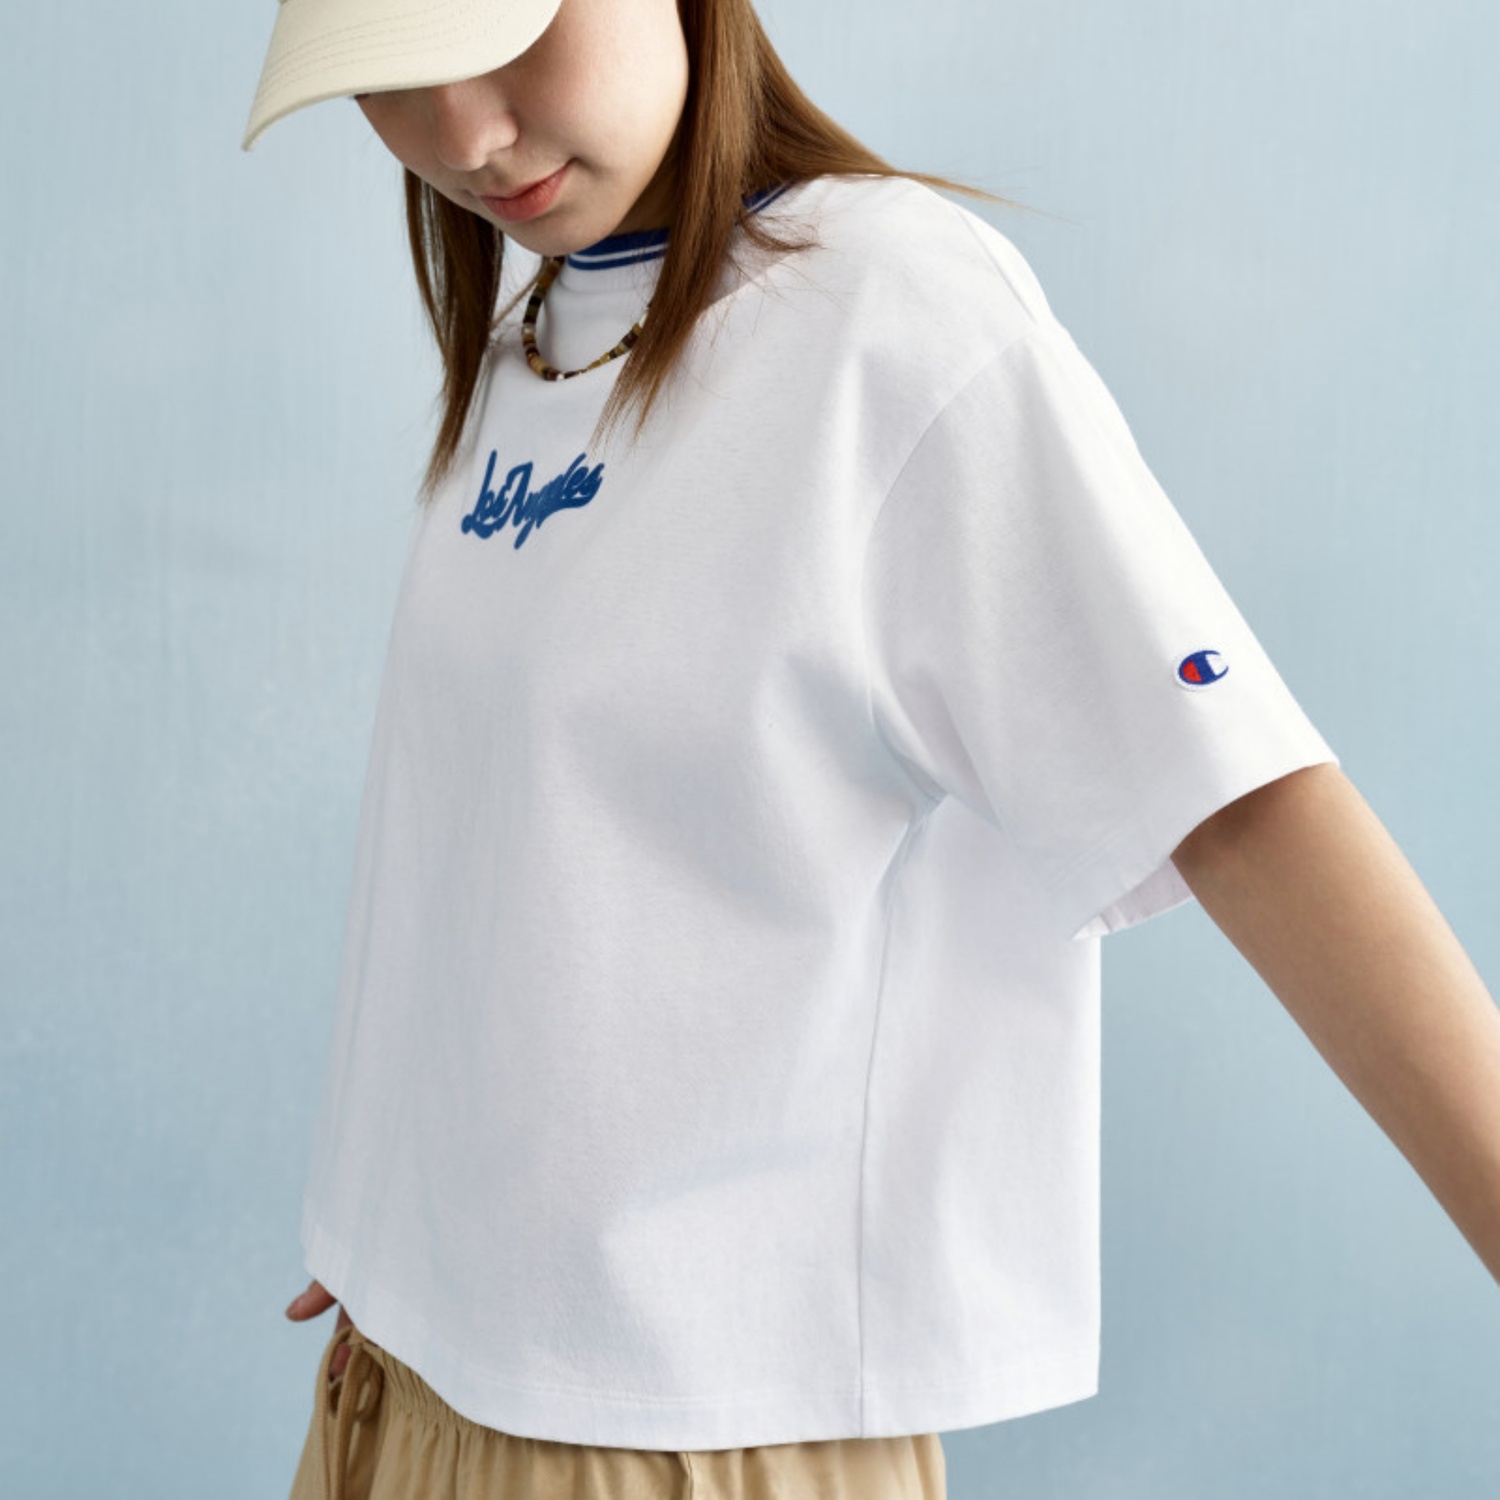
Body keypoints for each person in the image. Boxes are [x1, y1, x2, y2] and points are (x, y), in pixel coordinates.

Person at [243, 1, 1500, 1496]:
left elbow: (1238, 803)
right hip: (410, 1383)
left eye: (510, 29)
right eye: (389, 74)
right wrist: (403, 1227)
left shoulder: (884, 312)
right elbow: (519, 852)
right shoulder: (548, 326)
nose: (465, 135)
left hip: (677, 1436)